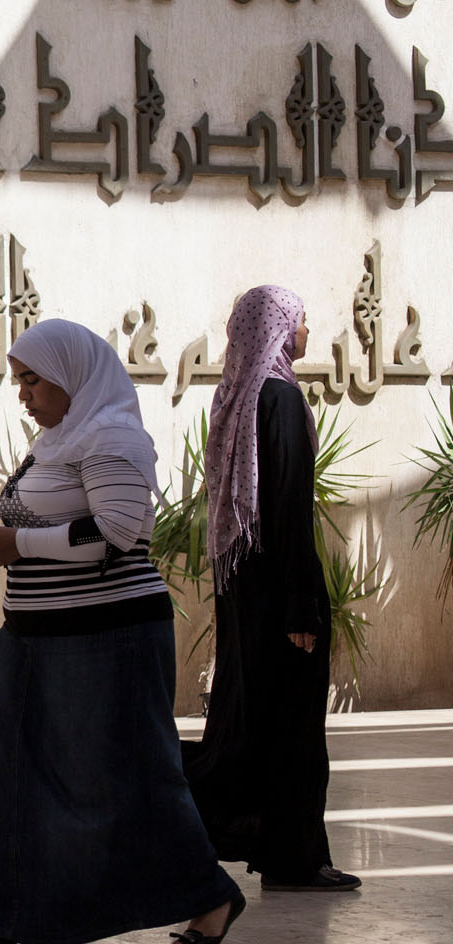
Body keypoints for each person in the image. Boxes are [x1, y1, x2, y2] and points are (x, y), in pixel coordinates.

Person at [0, 319, 244, 944]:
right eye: (20, 382)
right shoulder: (58, 441)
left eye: (34, 380)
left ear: (72, 376)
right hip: (35, 637)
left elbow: (119, 532)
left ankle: (208, 895)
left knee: (132, 776)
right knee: (12, 778)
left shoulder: (111, 435)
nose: (24, 394)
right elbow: (57, 525)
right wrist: (6, 541)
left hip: (107, 637)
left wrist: (22, 543)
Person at [182, 286, 361, 892]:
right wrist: (304, 605)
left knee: (248, 721)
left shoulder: (233, 398)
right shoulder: (281, 397)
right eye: (302, 320)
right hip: (285, 598)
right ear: (280, 330)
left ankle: (269, 846)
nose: (308, 331)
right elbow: (288, 508)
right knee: (294, 729)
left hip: (243, 595)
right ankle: (295, 859)